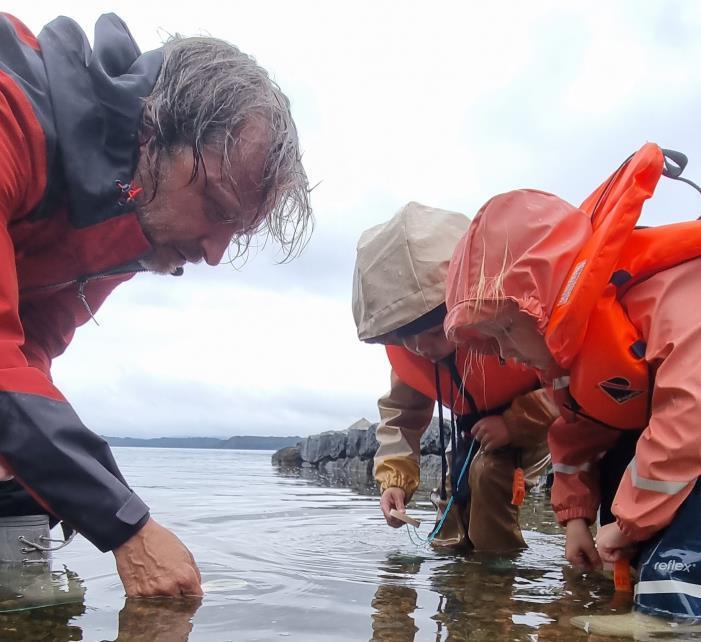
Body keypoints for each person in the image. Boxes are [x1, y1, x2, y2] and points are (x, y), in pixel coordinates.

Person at [0, 13, 311, 597]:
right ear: (153, 133)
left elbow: (29, 346)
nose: (215, 254)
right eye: (217, 206)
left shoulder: (130, 227)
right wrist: (125, 526)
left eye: (237, 232)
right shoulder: (10, 117)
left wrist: (54, 477)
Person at [441, 143, 701, 617]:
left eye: (504, 329)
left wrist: (627, 523)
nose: (503, 353)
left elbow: (691, 412)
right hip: (669, 450)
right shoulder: (566, 359)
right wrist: (577, 520)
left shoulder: (670, 293)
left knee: (672, 585)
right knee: (632, 571)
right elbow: (577, 435)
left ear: (541, 297)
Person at [352, 202, 555, 552]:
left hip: (534, 418)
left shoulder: (505, 326)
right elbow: (402, 415)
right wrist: (394, 480)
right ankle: (455, 579)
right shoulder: (414, 351)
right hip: (470, 428)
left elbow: (566, 389)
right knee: (451, 506)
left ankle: (492, 586)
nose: (419, 348)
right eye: (404, 338)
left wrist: (514, 425)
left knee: (490, 475)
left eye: (431, 333)